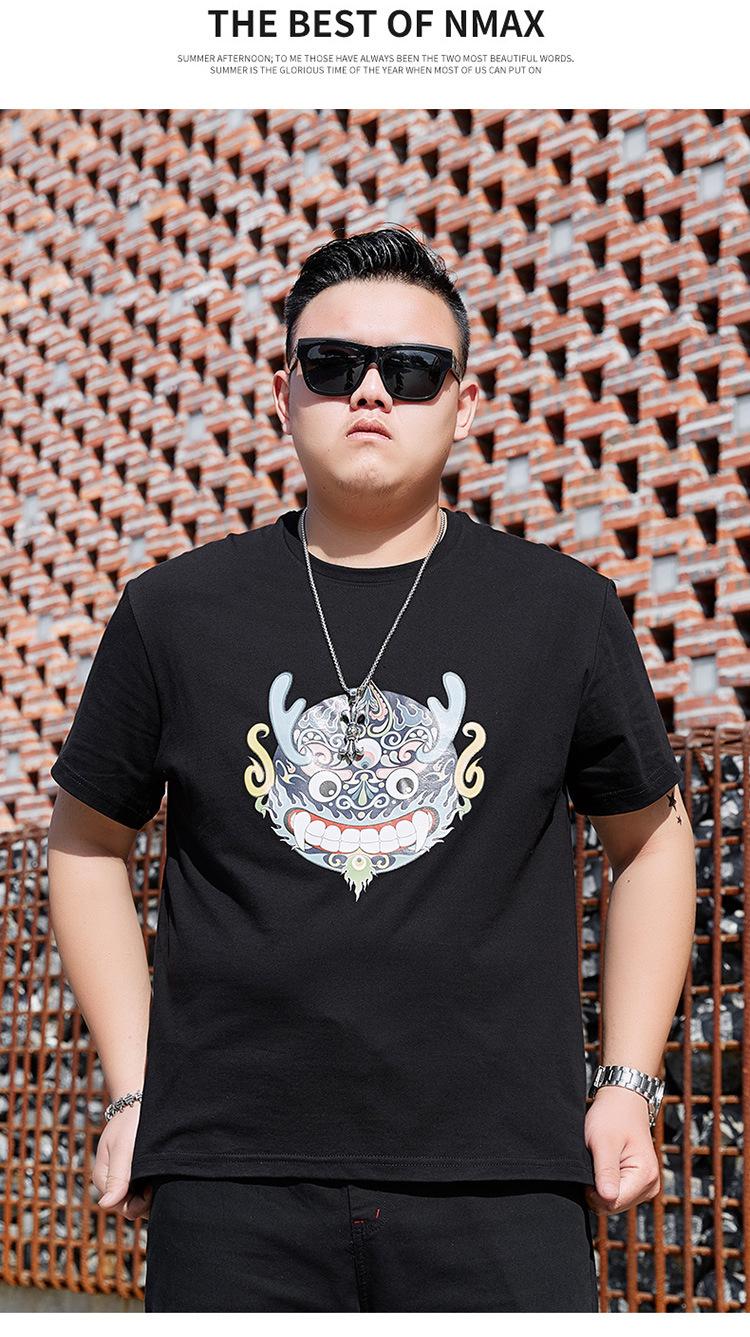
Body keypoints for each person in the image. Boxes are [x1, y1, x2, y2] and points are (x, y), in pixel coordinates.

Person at [46, 224, 697, 1313]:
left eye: (412, 368)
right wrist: (132, 1087)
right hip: (233, 1180)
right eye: (333, 362)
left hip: (504, 1176)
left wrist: (628, 1081)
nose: (371, 391)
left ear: (463, 402)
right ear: (284, 391)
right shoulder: (173, 611)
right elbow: (84, 840)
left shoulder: (563, 610)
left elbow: (653, 840)